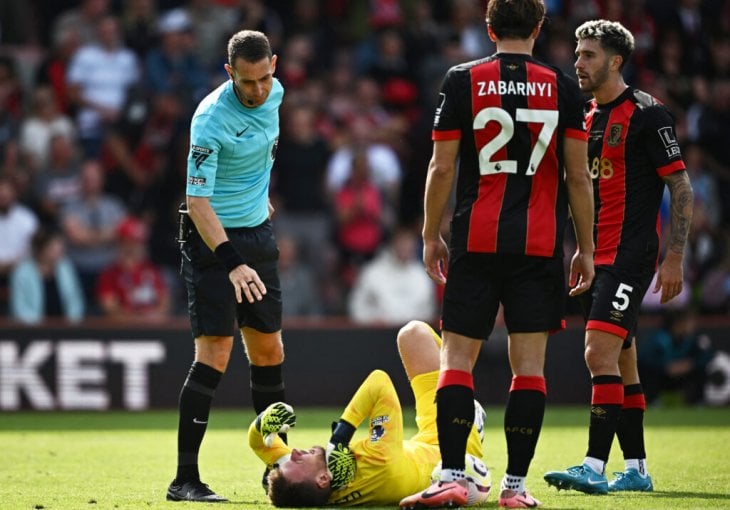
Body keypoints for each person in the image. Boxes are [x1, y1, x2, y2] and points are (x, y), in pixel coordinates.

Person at [401, 0, 596, 508]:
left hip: (476, 239)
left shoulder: (462, 79)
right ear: (538, 28)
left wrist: (429, 235)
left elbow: (441, 167)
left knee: (456, 361)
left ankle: (450, 476)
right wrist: (586, 248)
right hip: (539, 244)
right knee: (529, 368)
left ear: (488, 27)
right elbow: (578, 176)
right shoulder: (564, 86)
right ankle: (515, 487)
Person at [543, 19, 694, 495]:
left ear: (615, 61)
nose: (578, 62)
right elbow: (580, 190)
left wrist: (675, 257)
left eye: (588, 54)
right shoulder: (586, 118)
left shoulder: (648, 114)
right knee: (623, 365)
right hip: (599, 256)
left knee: (596, 352)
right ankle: (637, 469)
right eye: (577, 52)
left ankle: (592, 465)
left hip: (631, 254)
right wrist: (582, 250)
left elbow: (681, 187)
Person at [166, 30, 286, 503]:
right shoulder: (210, 119)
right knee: (214, 355)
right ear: (228, 72)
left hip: (256, 235)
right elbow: (197, 201)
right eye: (247, 81)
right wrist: (233, 263)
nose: (257, 90)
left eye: (264, 78)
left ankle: (277, 467)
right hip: (212, 241)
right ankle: (185, 480)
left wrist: (260, 198)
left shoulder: (276, 93)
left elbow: (263, 152)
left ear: (273, 65)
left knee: (270, 352)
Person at [249, 320, 489, 507]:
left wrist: (262, 423)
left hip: (422, 445)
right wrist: (341, 434)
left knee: (412, 334)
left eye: (289, 458)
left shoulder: (312, 485)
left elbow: (261, 446)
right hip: (453, 443)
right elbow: (380, 381)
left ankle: (462, 401)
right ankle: (467, 409)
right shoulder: (379, 461)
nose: (295, 452)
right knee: (413, 333)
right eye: (298, 459)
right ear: (323, 480)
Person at [638, 308, 714, 405]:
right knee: (647, 371)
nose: (693, 325)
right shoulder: (660, 338)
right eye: (689, 322)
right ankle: (652, 400)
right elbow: (644, 359)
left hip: (682, 377)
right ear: (679, 323)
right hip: (662, 376)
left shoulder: (694, 339)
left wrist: (689, 364)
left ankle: (696, 401)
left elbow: (707, 356)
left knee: (702, 370)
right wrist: (666, 367)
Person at [9, 227, 85, 324]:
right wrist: (42, 327)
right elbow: (19, 308)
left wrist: (70, 323)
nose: (59, 250)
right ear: (41, 249)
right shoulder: (22, 272)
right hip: (31, 330)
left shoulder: (66, 267)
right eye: (54, 247)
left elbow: (76, 301)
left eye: (60, 246)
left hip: (66, 329)